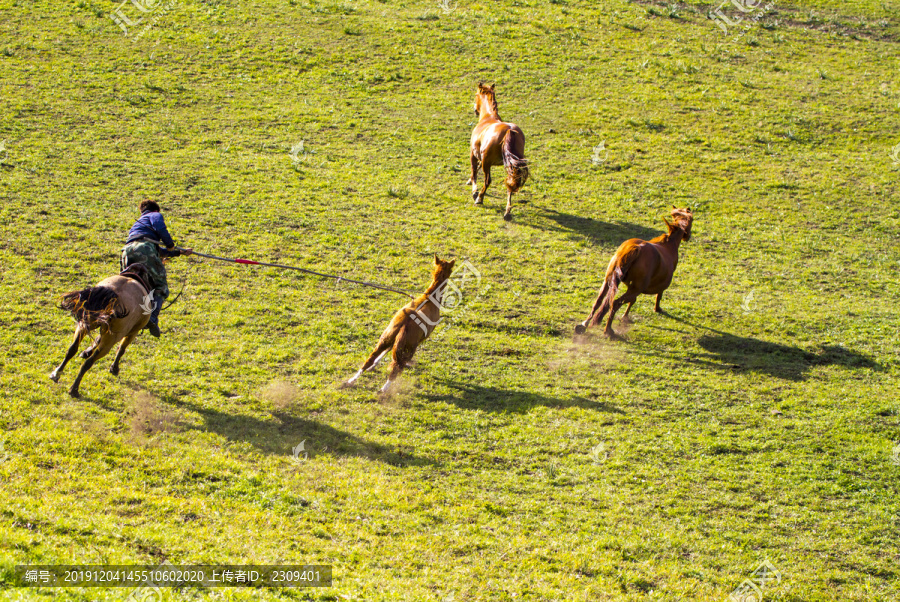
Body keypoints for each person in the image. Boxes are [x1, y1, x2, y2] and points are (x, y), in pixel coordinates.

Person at [121, 200, 192, 338]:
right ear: (156, 210)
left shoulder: (139, 225)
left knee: (131, 285)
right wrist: (170, 244)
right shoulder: (154, 215)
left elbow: (157, 250)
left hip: (126, 251)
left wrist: (179, 252)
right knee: (160, 286)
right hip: (144, 249)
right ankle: (152, 317)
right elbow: (160, 229)